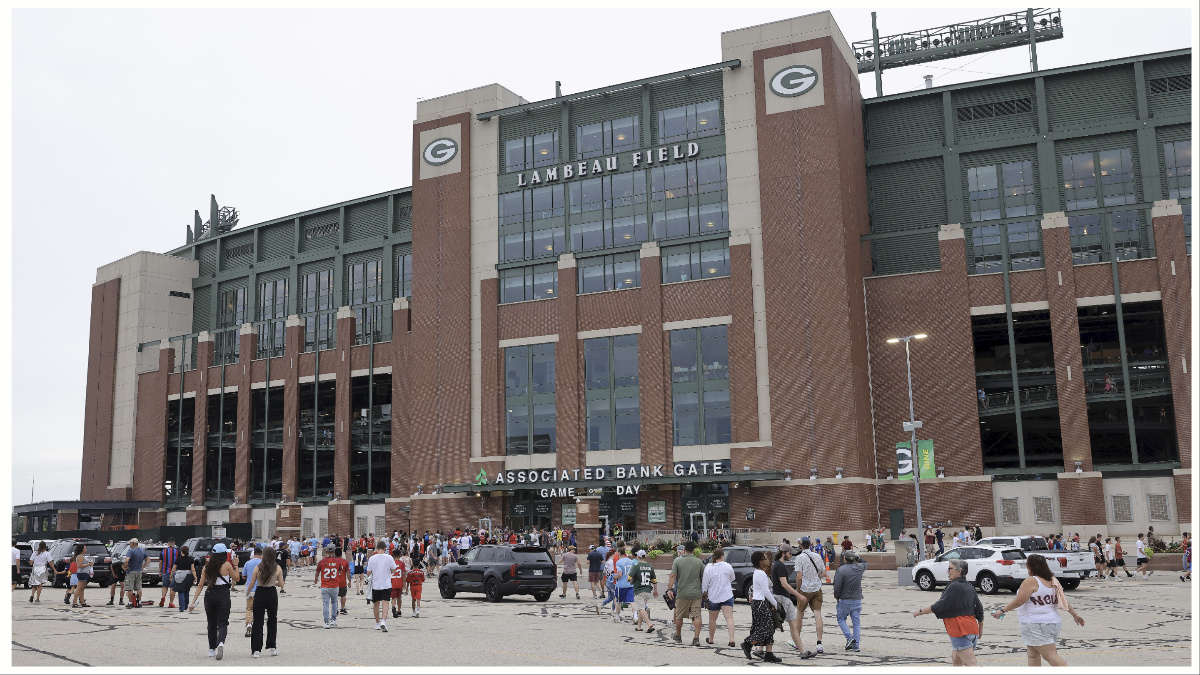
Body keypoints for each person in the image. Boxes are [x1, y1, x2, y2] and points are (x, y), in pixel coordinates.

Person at [992, 554, 1085, 666]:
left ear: (1030, 566)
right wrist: (1074, 615)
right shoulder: (1053, 580)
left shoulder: (1032, 580)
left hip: (1036, 623)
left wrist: (1002, 610)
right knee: (1033, 654)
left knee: (1050, 654)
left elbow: (1019, 601)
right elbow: (1063, 600)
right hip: (1052, 623)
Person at [913, 559, 984, 666]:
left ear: (959, 571)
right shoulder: (969, 586)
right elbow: (979, 609)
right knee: (957, 663)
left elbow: (939, 606)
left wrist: (921, 611)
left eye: (950, 568)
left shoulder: (954, 586)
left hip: (961, 630)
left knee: (971, 664)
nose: (948, 571)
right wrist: (980, 629)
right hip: (971, 630)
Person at [190, 543, 241, 661]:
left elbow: (200, 586)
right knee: (223, 622)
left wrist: (193, 602)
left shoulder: (206, 567)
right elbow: (237, 579)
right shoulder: (227, 565)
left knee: (211, 623)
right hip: (223, 593)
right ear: (224, 554)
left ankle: (211, 649)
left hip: (210, 594)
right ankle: (221, 642)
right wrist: (236, 565)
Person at [772, 544, 812, 657]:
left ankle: (803, 651)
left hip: (783, 598)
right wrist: (798, 595)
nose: (791, 555)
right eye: (790, 553)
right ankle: (758, 647)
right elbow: (784, 584)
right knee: (775, 624)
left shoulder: (779, 565)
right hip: (782, 598)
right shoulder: (779, 566)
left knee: (791, 624)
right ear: (783, 553)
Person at [741, 550, 781, 662]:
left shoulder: (758, 572)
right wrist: (775, 603)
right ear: (760, 561)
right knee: (766, 628)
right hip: (761, 603)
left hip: (759, 602)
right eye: (765, 559)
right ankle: (748, 644)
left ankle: (769, 654)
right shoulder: (761, 573)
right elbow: (766, 591)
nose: (768, 560)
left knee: (768, 627)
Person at [247, 542, 284, 658]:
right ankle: (272, 647)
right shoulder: (277, 567)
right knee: (272, 620)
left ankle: (256, 650)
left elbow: (252, 583)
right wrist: (274, 582)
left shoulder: (258, 568)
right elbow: (282, 584)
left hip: (260, 592)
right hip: (271, 593)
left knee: (258, 621)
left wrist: (247, 593)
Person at [668, 540, 705, 646]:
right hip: (696, 593)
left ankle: (678, 636)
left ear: (684, 550)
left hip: (682, 593)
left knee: (679, 616)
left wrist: (669, 589)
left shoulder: (677, 561)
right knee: (697, 615)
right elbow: (703, 577)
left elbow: (673, 576)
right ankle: (696, 638)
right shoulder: (699, 562)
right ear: (694, 550)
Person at [793, 537, 826, 654]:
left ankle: (797, 641)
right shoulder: (817, 556)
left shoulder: (800, 557)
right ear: (810, 545)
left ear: (801, 545)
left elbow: (799, 576)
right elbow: (823, 573)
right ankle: (819, 643)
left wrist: (798, 589)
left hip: (805, 589)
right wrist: (816, 577)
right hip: (817, 588)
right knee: (817, 614)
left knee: (800, 613)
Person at [833, 551, 868, 652]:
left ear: (845, 558)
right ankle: (856, 645)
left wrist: (837, 596)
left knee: (840, 619)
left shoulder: (841, 570)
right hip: (857, 599)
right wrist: (858, 558)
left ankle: (849, 637)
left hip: (844, 599)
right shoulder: (859, 568)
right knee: (856, 623)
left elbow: (837, 586)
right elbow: (865, 562)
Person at [701, 547, 736, 647]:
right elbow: (732, 578)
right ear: (722, 556)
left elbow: (705, 584)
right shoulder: (728, 566)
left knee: (712, 618)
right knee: (729, 618)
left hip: (713, 596)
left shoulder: (708, 567)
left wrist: (704, 592)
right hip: (727, 595)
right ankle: (731, 639)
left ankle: (711, 639)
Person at [366, 541, 397, 632]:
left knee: (376, 604)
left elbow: (368, 572)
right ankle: (384, 621)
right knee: (385, 603)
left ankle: (377, 623)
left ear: (376, 548)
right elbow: (394, 570)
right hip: (386, 584)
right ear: (385, 548)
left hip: (376, 584)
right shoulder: (389, 557)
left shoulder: (372, 558)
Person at [315, 544, 348, 628]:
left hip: (325, 585)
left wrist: (316, 579)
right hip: (334, 585)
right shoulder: (337, 562)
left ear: (326, 552)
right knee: (334, 602)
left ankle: (326, 622)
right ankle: (333, 619)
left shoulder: (322, 562)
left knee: (325, 604)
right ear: (334, 552)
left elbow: (317, 572)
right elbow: (340, 571)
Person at [629, 549, 659, 634]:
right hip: (648, 590)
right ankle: (639, 626)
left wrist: (632, 579)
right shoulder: (650, 566)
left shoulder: (636, 565)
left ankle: (649, 624)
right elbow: (654, 580)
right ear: (645, 557)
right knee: (640, 608)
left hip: (639, 590)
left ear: (637, 556)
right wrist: (656, 590)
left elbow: (629, 578)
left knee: (641, 608)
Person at [241, 547, 263, 636]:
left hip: (251, 589)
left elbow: (243, 576)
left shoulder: (248, 563)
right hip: (261, 589)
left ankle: (249, 623)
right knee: (260, 610)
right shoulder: (263, 563)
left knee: (249, 608)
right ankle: (259, 628)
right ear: (261, 554)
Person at [612, 548, 636, 621]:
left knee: (618, 601)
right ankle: (635, 615)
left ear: (619, 553)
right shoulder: (631, 561)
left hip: (621, 584)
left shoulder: (619, 562)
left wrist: (614, 577)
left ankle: (617, 616)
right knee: (632, 601)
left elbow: (620, 574)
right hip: (630, 583)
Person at [172, 546, 198, 613]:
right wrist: (195, 577)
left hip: (179, 575)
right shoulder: (190, 559)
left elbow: (173, 569)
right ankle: (186, 606)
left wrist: (171, 576)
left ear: (181, 551)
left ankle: (181, 607)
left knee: (180, 591)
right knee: (186, 590)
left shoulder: (178, 559)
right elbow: (193, 569)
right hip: (188, 576)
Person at [124, 538, 148, 608]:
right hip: (139, 571)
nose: (129, 545)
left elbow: (126, 560)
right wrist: (143, 567)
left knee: (130, 587)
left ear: (133, 543)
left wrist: (125, 567)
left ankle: (130, 602)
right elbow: (148, 559)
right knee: (138, 587)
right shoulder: (142, 550)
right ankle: (139, 602)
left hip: (131, 571)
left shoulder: (131, 551)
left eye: (130, 543)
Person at [72, 543, 94, 608]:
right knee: (79, 588)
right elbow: (80, 566)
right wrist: (89, 564)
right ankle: (74, 603)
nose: (86, 549)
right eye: (85, 548)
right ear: (81, 549)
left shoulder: (83, 556)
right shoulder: (80, 557)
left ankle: (82, 602)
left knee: (82, 589)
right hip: (81, 573)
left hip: (85, 573)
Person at [160, 539, 179, 608]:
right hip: (174, 572)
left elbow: (160, 562)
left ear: (168, 543)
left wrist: (160, 571)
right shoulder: (177, 551)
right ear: (174, 543)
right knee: (172, 587)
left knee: (164, 586)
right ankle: (171, 602)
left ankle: (163, 596)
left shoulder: (163, 551)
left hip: (165, 571)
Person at [389, 548, 408, 619]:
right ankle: (399, 610)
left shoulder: (391, 563)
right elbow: (404, 573)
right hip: (399, 581)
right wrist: (404, 582)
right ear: (400, 555)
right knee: (399, 597)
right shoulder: (402, 563)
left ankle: (393, 607)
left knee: (393, 597)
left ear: (393, 555)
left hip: (392, 582)